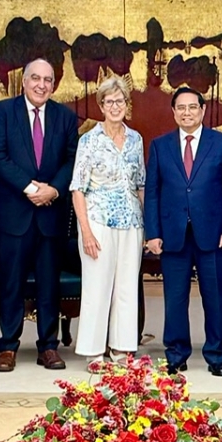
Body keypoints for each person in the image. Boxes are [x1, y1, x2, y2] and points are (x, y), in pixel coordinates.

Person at [0, 58, 79, 373]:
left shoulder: (65, 116)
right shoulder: (3, 112)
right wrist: (29, 187)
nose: (41, 85)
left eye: (47, 80)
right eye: (35, 78)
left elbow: (72, 159)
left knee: (49, 284)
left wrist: (53, 190)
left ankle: (48, 347)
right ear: (24, 81)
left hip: (51, 215)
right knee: (11, 282)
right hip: (14, 214)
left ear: (54, 84)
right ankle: (8, 347)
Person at [144, 87, 222, 376]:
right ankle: (176, 355)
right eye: (181, 108)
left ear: (202, 110)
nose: (187, 112)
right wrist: (152, 233)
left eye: (192, 107)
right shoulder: (160, 146)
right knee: (175, 298)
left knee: (215, 297)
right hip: (172, 234)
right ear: (174, 112)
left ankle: (216, 355)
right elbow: (152, 192)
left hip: (214, 234)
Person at [71, 76, 145, 364]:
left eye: (120, 101)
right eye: (109, 101)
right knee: (97, 286)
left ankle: (121, 349)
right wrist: (86, 232)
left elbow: (140, 184)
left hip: (131, 222)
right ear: (101, 105)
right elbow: (78, 189)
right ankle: (93, 351)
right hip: (97, 221)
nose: (115, 106)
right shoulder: (89, 140)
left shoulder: (136, 139)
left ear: (127, 104)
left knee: (127, 287)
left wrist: (147, 226)